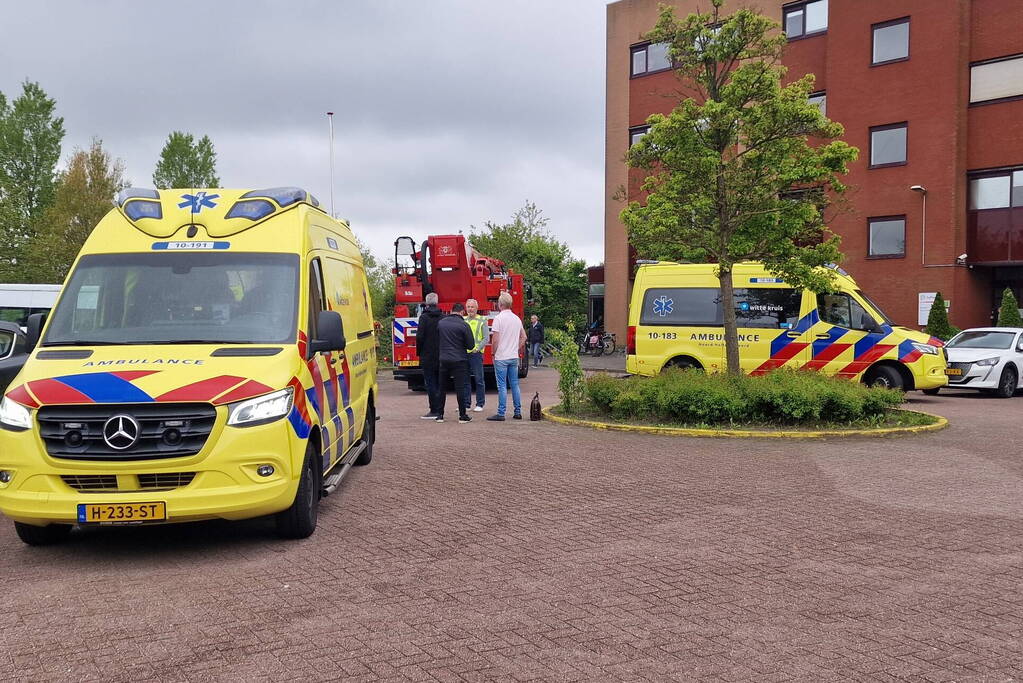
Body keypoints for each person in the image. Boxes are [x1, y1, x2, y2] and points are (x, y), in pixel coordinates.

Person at [487, 292, 526, 421]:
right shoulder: (516, 319)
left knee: (502, 385)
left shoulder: (498, 319)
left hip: (501, 357)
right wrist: (516, 347)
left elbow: (495, 340)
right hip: (513, 356)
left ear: (500, 304)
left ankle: (501, 412)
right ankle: (517, 411)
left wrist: (493, 352)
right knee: (515, 384)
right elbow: (524, 337)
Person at [436, 302, 474, 423]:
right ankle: (462, 416)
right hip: (459, 360)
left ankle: (439, 415)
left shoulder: (441, 323)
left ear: (451, 311)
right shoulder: (464, 325)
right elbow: (470, 345)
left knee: (442, 388)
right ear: (462, 312)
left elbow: (438, 340)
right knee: (460, 388)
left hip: (444, 359)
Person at [416, 292, 445, 420]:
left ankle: (433, 410)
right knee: (440, 383)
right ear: (437, 302)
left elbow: (419, 337)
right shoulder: (443, 317)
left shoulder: (423, 318)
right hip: (441, 354)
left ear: (426, 303)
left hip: (427, 355)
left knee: (430, 383)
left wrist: (419, 352)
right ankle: (440, 410)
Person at [463, 298, 489, 412]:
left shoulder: (482, 320)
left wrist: (478, 349)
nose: (470, 309)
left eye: (472, 307)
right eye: (468, 307)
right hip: (464, 354)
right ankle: (466, 404)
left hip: (476, 354)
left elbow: (486, 338)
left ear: (477, 308)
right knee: (465, 380)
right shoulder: (463, 320)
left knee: (479, 379)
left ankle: (480, 403)